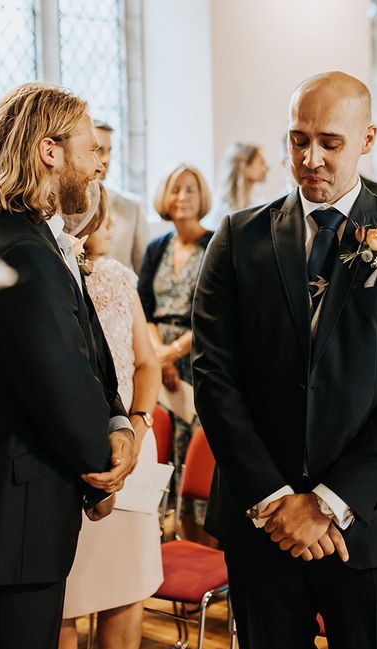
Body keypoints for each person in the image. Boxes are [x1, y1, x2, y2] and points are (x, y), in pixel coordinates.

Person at [191, 71, 377, 649]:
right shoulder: (238, 238)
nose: (310, 159)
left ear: (366, 139)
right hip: (263, 519)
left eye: (329, 143)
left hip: (367, 520)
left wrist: (327, 502)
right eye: (298, 139)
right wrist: (277, 500)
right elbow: (213, 374)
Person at [0, 82, 135, 649]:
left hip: (10, 519)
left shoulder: (13, 237)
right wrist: (101, 465)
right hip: (10, 527)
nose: (99, 162)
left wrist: (118, 423)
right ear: (50, 151)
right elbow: (58, 384)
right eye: (90, 148)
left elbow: (86, 354)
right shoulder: (20, 251)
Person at [53, 182, 163, 649]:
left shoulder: (120, 278)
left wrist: (138, 428)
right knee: (66, 600)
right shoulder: (50, 275)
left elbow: (146, 362)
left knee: (126, 589)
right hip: (71, 456)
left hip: (133, 449)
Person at [138, 163, 213, 541]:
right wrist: (158, 354)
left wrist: (173, 354)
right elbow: (144, 307)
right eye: (175, 190)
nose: (182, 197)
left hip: (198, 356)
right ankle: (164, 537)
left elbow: (214, 312)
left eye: (190, 190)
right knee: (164, 442)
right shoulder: (156, 247)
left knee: (197, 444)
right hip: (158, 357)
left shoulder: (214, 243)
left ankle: (200, 539)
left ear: (203, 198)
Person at [94, 120, 150, 273]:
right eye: (98, 150)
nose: (106, 159)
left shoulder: (131, 208)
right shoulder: (63, 208)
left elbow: (144, 273)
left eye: (109, 151)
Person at [208, 142, 269, 228]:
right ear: (243, 165)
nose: (267, 167)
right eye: (261, 162)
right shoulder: (220, 213)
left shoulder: (260, 205)